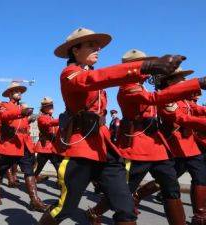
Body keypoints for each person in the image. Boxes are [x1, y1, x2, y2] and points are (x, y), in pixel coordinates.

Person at [38, 27, 185, 225]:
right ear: (75, 50)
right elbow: (93, 79)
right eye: (91, 45)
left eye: (97, 45)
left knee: (125, 207)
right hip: (81, 150)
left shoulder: (91, 74)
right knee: (65, 208)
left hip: (104, 147)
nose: (98, 48)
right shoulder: (69, 74)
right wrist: (146, 65)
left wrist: (196, 84)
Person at [86, 49, 206, 225]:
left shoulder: (140, 86)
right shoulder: (128, 88)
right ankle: (95, 212)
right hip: (137, 149)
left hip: (157, 148)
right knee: (124, 191)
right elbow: (154, 98)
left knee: (171, 189)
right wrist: (198, 83)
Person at [0, 82, 48, 212]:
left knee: (29, 171)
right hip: (10, 144)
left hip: (24, 144)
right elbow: (4, 116)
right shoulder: (4, 106)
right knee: (1, 170)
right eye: (17, 91)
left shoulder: (22, 108)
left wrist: (29, 118)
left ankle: (34, 200)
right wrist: (20, 112)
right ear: (10, 93)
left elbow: (23, 127)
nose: (20, 93)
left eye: (20, 91)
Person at [33, 97, 62, 183]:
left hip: (52, 147)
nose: (51, 107)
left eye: (52, 106)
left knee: (59, 167)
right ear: (43, 108)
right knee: (39, 167)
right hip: (44, 147)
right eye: (49, 106)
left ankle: (61, 183)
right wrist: (62, 119)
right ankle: (31, 180)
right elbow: (48, 123)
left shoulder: (52, 118)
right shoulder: (42, 117)